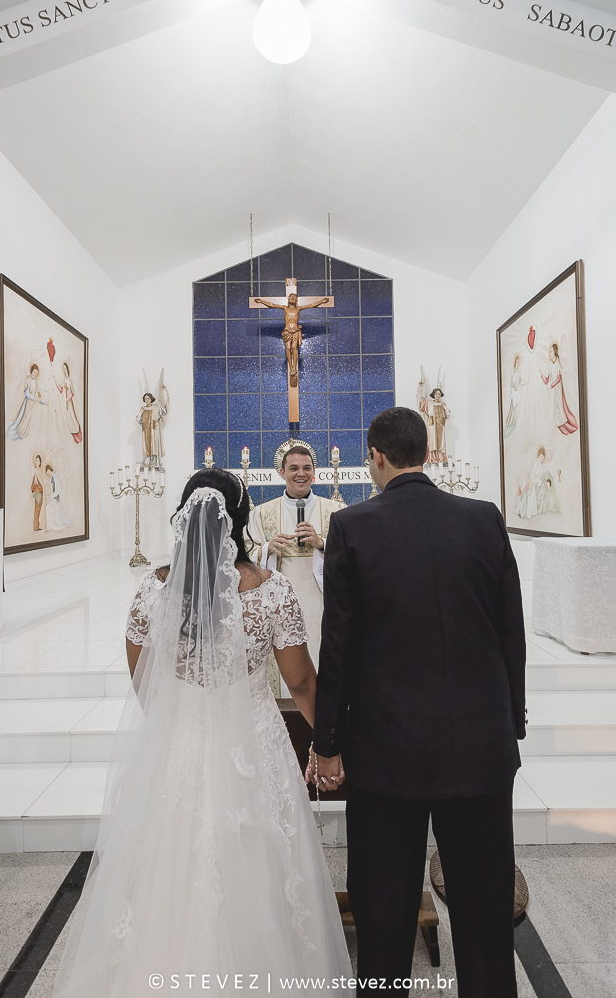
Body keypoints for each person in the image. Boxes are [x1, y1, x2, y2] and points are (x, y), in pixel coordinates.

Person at [51, 468, 351, 998]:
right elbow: (302, 682)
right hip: (255, 747)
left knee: (170, 862)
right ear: (240, 521)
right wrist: (330, 745)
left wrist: (180, 725)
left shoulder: (154, 589)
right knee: (264, 860)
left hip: (180, 745)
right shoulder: (270, 589)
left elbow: (143, 678)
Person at [310, 407, 527, 998]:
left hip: (387, 753)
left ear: (376, 458)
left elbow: (340, 650)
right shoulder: (485, 519)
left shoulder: (352, 527)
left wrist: (326, 745)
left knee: (384, 915)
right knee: (485, 913)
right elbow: (512, 630)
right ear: (426, 454)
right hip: (481, 748)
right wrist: (513, 721)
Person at [248, 446, 344, 678]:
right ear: (282, 472)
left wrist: (322, 544)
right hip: (277, 606)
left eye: (306, 468)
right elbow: (243, 555)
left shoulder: (337, 512)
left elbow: (354, 558)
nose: (300, 474)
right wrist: (266, 550)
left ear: (314, 473)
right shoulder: (260, 514)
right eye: (293, 468)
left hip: (323, 604)